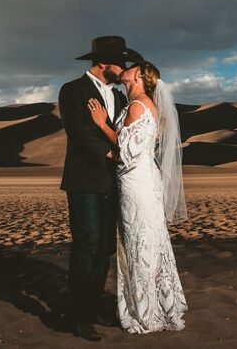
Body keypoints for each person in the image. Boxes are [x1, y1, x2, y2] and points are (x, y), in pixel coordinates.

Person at [87, 60, 188, 334]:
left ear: (140, 77)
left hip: (135, 183)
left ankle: (146, 311)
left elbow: (125, 150)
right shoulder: (144, 104)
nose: (126, 68)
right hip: (143, 181)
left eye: (131, 68)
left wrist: (101, 124)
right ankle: (157, 304)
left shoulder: (136, 106)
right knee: (147, 242)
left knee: (138, 244)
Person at [59, 35, 144, 341]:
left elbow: (123, 132)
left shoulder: (120, 98)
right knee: (87, 246)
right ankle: (79, 316)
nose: (123, 70)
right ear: (103, 62)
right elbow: (80, 131)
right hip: (85, 181)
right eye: (120, 63)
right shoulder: (72, 90)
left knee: (104, 249)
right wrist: (113, 153)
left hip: (115, 183)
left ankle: (91, 307)